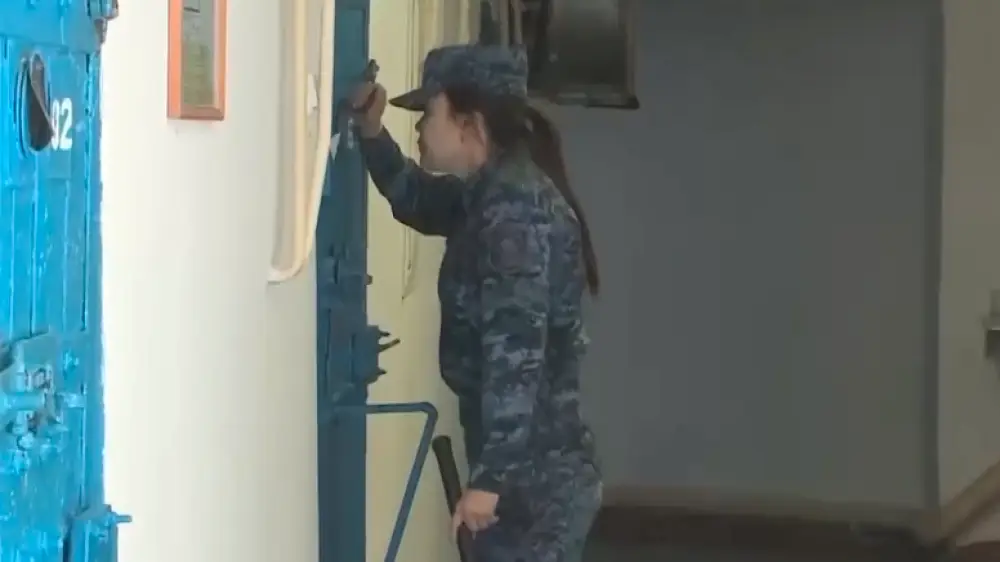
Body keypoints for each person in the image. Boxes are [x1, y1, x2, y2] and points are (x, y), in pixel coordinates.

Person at [351, 44, 601, 562]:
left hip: (532, 485)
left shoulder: (514, 212)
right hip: (523, 470)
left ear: (471, 121)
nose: (420, 127)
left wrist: (491, 481)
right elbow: (418, 199)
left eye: (429, 112)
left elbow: (517, 355)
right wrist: (372, 133)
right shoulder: (489, 194)